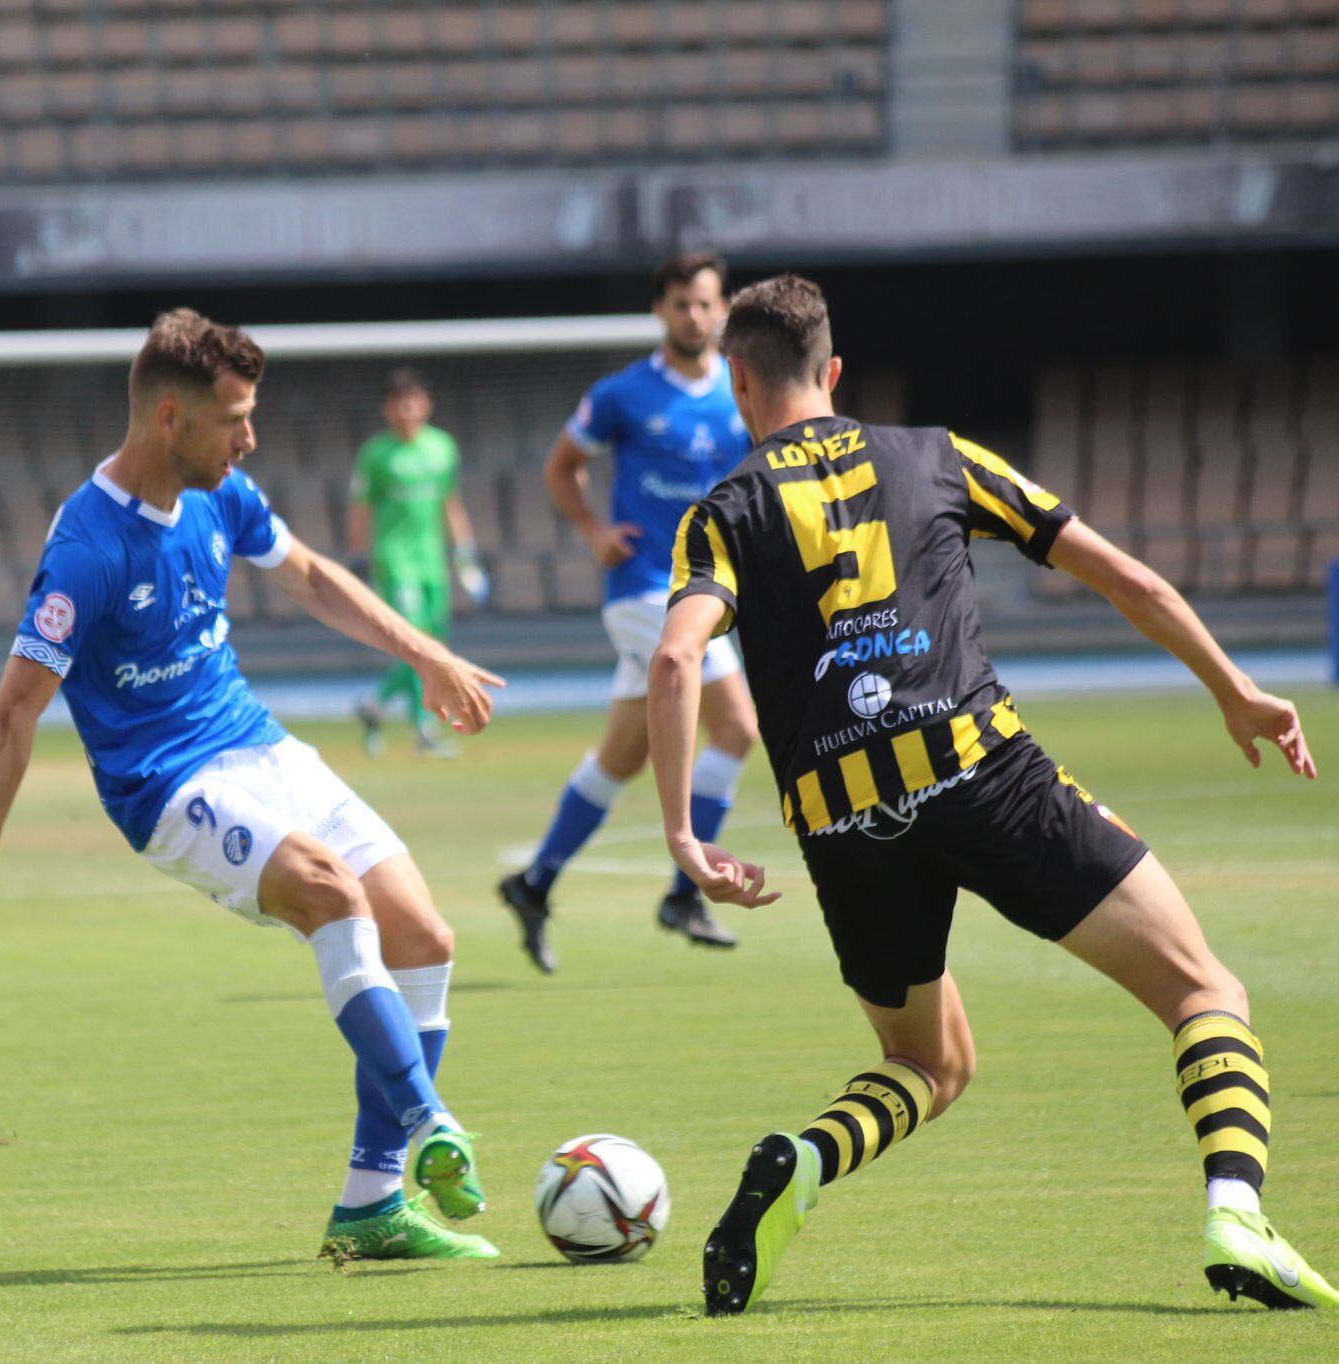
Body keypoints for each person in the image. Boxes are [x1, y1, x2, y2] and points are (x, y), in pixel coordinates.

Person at [655, 273, 1333, 1316]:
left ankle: (800, 1158)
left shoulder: (721, 511)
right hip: (979, 774)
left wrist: (681, 834)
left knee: (926, 1060)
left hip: (840, 821)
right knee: (1203, 988)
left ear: (736, 380)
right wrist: (1232, 688)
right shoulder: (933, 453)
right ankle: (1235, 1209)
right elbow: (1125, 579)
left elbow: (672, 663)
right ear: (832, 372)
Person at [0, 310, 507, 1261]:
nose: (250, 437)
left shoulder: (222, 491)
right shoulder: (87, 549)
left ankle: (372, 1204)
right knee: (331, 893)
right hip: (166, 784)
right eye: (234, 418)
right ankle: (431, 1118)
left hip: (258, 745)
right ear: (167, 420)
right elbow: (11, 715)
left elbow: (311, 576)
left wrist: (428, 655)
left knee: (424, 934)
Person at [498, 251, 759, 971]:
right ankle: (686, 890)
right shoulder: (621, 394)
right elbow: (561, 467)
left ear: (723, 308)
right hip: (647, 587)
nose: (694, 316)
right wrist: (592, 530)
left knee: (623, 755)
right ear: (660, 310)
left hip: (702, 590)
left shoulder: (737, 397)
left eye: (706, 303)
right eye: (681, 304)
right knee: (737, 724)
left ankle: (534, 881)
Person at [348, 368, 490, 758]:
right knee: (417, 644)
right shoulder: (376, 454)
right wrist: (358, 555)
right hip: (395, 562)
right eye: (399, 401)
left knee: (433, 645)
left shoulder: (442, 448)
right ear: (387, 408)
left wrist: (464, 550)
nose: (407, 409)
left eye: (413, 400)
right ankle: (424, 730)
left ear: (426, 404)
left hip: (433, 563)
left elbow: (451, 503)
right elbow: (360, 510)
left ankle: (374, 706)